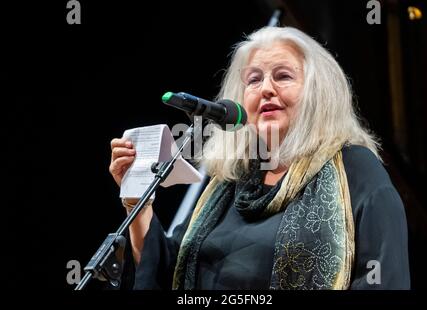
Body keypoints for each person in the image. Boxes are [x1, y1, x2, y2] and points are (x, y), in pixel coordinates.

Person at [109, 26, 410, 289]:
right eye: (254, 80)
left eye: (283, 76)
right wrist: (137, 200)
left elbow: (385, 280)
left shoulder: (355, 168)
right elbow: (168, 274)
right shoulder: (228, 183)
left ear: (318, 93)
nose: (266, 89)